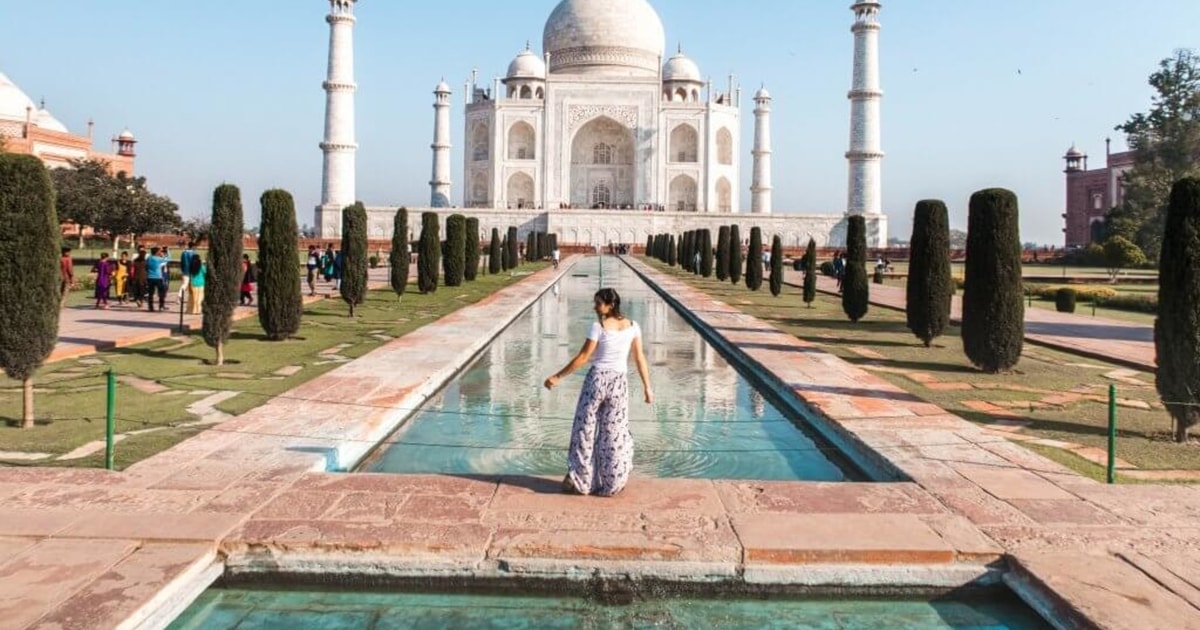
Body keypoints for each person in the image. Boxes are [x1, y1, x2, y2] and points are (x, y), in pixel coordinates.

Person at [544, 288, 653, 497]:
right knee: (614, 434)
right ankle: (612, 483)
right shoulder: (633, 327)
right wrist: (647, 387)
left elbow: (583, 357)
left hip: (596, 382)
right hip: (619, 384)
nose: (595, 307)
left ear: (610, 305)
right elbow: (639, 358)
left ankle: (583, 482)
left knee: (584, 431)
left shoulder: (598, 327)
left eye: (598, 303)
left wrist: (557, 377)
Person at [146, 247, 168, 312]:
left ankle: (150, 307)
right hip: (158, 277)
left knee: (151, 293)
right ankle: (161, 306)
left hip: (150, 277)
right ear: (156, 252)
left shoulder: (149, 258)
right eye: (159, 251)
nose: (160, 252)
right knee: (161, 292)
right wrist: (166, 252)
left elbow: (146, 267)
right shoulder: (158, 259)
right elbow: (167, 259)